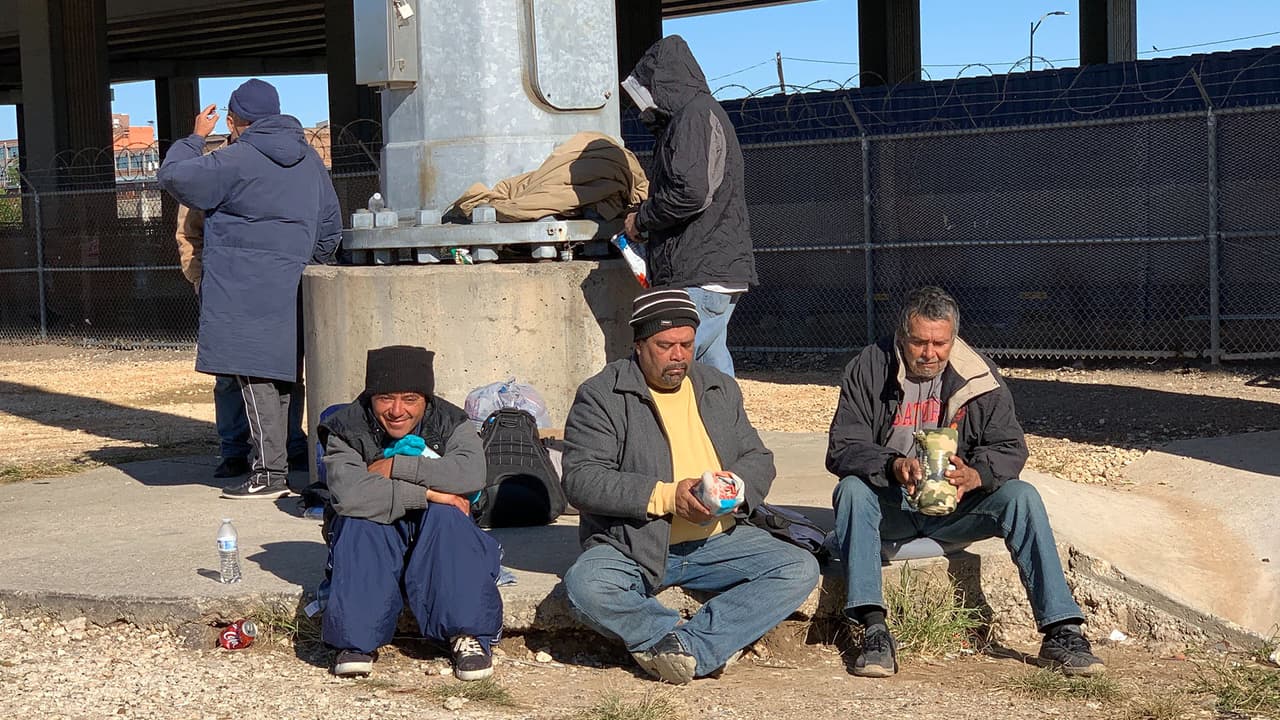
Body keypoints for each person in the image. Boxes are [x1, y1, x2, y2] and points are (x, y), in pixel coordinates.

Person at [826, 286, 1105, 678]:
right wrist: (892, 466)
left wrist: (976, 475)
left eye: (940, 343)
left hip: (955, 507)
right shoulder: (869, 367)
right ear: (901, 335)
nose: (929, 353)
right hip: (892, 502)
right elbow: (843, 447)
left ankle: (1062, 629)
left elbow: (1010, 447)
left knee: (1022, 497)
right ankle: (873, 629)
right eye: (919, 342)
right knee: (851, 491)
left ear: (953, 338)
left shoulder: (978, 374)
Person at [561, 287, 818, 684]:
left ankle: (687, 648)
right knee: (585, 585)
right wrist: (667, 496)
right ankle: (677, 641)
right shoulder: (602, 395)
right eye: (665, 345)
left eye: (686, 344)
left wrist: (737, 487)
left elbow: (758, 459)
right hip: (635, 543)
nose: (678, 355)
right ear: (639, 344)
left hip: (717, 540)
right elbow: (581, 479)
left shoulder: (718, 387)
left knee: (798, 567)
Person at [158, 78, 340, 498]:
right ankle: (286, 458)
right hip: (295, 281)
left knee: (253, 379)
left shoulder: (235, 159)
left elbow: (174, 176)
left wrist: (195, 138)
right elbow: (330, 224)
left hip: (242, 286)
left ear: (237, 120)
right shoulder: (310, 159)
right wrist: (311, 265)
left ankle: (267, 472)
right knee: (285, 377)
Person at [317, 345, 501, 680]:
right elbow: (350, 493)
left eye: (410, 399)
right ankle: (356, 640)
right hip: (376, 530)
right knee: (362, 518)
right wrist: (428, 493)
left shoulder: (452, 421)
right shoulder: (345, 428)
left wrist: (396, 466)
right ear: (371, 397)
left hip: (436, 533)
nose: (397, 410)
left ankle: (467, 633)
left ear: (426, 399)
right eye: (385, 398)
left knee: (448, 516)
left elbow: (470, 474)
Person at [621, 35, 755, 377]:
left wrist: (643, 220)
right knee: (711, 367)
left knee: (664, 362)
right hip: (710, 270)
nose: (641, 108)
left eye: (644, 93)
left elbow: (692, 193)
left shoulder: (693, 117)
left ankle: (679, 429)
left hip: (701, 271)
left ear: (660, 83)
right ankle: (726, 429)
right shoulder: (696, 116)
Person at [175, 179, 307, 479]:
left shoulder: (276, 168)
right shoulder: (213, 170)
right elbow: (188, 231)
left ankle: (291, 442)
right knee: (228, 376)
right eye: (244, 125)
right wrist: (199, 278)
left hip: (275, 283)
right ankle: (233, 449)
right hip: (225, 288)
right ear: (233, 127)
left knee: (286, 369)